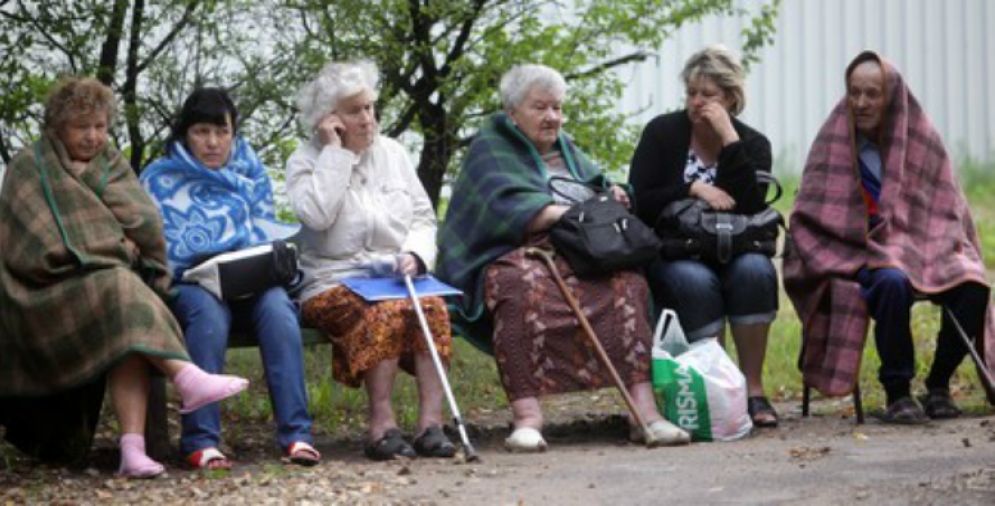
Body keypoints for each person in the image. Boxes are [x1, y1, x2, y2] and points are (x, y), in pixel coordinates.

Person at [0, 77, 248, 478]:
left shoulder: (111, 163)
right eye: (81, 126)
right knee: (123, 291)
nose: (93, 136)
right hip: (42, 294)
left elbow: (145, 223)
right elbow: (33, 247)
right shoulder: (31, 166)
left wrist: (115, 248)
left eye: (100, 126)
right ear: (57, 126)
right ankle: (186, 377)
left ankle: (132, 451)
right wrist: (117, 246)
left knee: (126, 312)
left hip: (105, 290)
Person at [437, 63, 690, 452]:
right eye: (541, 107)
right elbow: (511, 211)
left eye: (557, 107)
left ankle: (646, 416)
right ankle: (527, 419)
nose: (553, 117)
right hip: (514, 252)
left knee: (629, 285)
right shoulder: (491, 147)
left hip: (579, 249)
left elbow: (597, 188)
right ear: (512, 113)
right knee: (518, 288)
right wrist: (585, 210)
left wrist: (613, 195)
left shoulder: (564, 147)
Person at [783, 51, 995, 423]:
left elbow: (947, 207)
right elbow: (810, 212)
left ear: (891, 97)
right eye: (854, 93)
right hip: (857, 254)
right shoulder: (833, 143)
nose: (861, 103)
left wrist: (929, 244)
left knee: (974, 284)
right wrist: (866, 243)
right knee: (892, 280)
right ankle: (897, 392)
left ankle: (939, 385)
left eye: (872, 94)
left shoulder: (923, 141)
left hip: (923, 248)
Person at [140, 88, 319, 468]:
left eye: (222, 132)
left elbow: (263, 232)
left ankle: (297, 436)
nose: (212, 142)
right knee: (208, 313)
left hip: (249, 284)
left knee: (278, 310)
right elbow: (156, 251)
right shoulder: (159, 178)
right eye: (201, 131)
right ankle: (201, 441)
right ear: (184, 134)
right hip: (190, 286)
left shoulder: (250, 173)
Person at [287, 61, 456, 461]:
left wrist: (415, 255)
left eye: (369, 107)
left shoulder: (393, 153)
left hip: (394, 275)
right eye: (354, 111)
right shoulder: (305, 160)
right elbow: (317, 216)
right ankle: (382, 425)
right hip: (332, 280)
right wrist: (334, 154)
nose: (367, 119)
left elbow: (421, 217)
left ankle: (431, 425)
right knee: (386, 312)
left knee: (432, 307)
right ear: (329, 120)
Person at [628, 45, 780, 428]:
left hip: (738, 246)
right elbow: (639, 201)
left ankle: (753, 390)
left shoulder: (753, 144)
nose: (697, 102)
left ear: (730, 97)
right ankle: (716, 390)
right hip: (678, 251)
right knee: (693, 281)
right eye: (692, 93)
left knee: (756, 272)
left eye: (708, 95)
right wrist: (692, 188)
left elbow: (749, 205)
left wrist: (729, 139)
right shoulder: (663, 133)